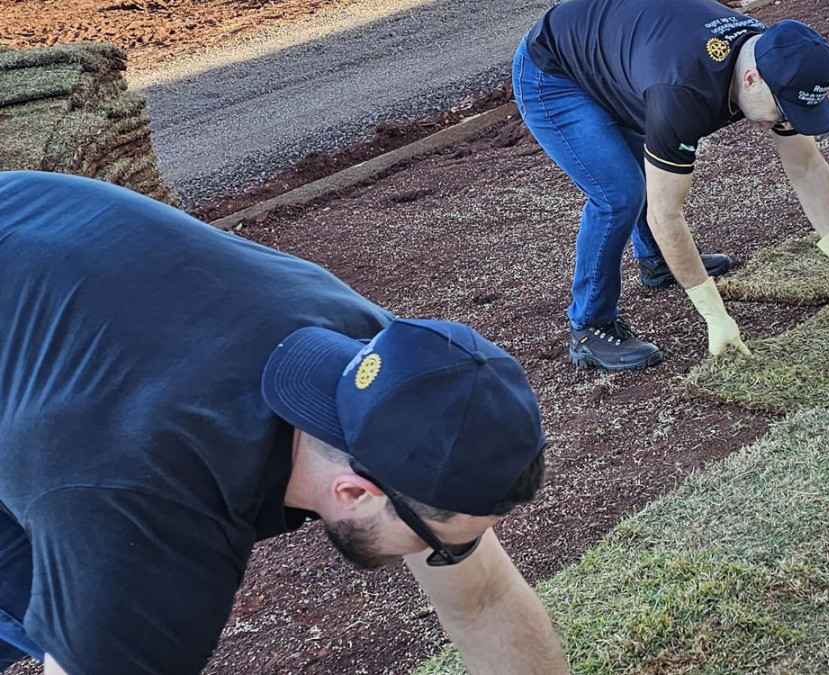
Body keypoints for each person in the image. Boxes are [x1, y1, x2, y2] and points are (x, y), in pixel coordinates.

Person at [0, 171, 569, 675]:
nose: (449, 556)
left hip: (42, 267)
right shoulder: (148, 504)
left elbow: (484, 601)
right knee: (77, 616)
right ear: (353, 491)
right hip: (47, 313)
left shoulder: (398, 373)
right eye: (440, 549)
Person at [513, 0, 829, 371]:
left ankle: (658, 264)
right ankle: (590, 327)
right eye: (786, 110)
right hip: (554, 73)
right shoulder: (683, 93)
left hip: (620, 54)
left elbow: (805, 164)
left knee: (648, 174)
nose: (788, 121)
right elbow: (666, 214)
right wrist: (715, 315)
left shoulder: (772, 56)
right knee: (620, 195)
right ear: (751, 78)